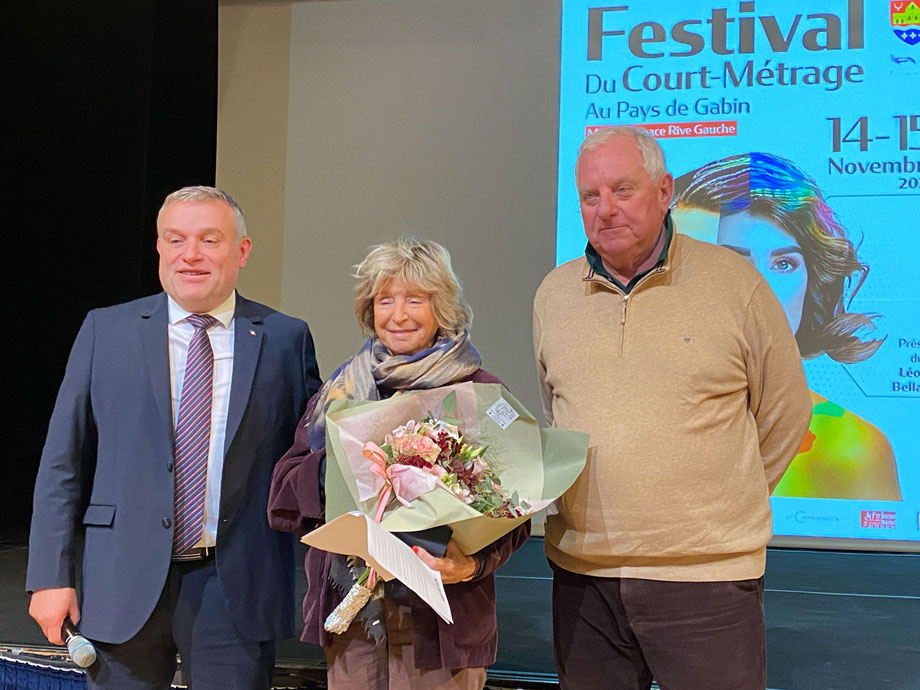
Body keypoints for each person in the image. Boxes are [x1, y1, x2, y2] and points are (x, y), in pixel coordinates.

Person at [533, 126, 812, 690]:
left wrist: (721, 503)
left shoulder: (735, 284)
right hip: (584, 579)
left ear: (664, 192)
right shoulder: (554, 295)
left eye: (623, 189)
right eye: (590, 196)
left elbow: (786, 412)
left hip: (706, 580)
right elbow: (560, 411)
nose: (606, 209)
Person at [26, 186, 322, 690]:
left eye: (210, 240)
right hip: (121, 582)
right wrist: (49, 576)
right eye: (176, 239)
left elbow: (307, 458)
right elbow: (62, 462)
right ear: (159, 247)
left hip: (234, 587)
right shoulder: (106, 331)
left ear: (242, 251)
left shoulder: (284, 338)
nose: (191, 255)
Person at [268, 236, 530, 690]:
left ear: (442, 307)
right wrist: (346, 468)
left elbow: (518, 509)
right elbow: (285, 489)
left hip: (441, 627)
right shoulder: (340, 392)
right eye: (385, 300)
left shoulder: (478, 392)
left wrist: (471, 565)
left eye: (415, 300)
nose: (399, 315)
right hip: (354, 622)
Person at [672, 152, 901, 500]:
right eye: (729, 262)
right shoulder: (618, 410)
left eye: (783, 264)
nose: (759, 289)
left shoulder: (848, 449)